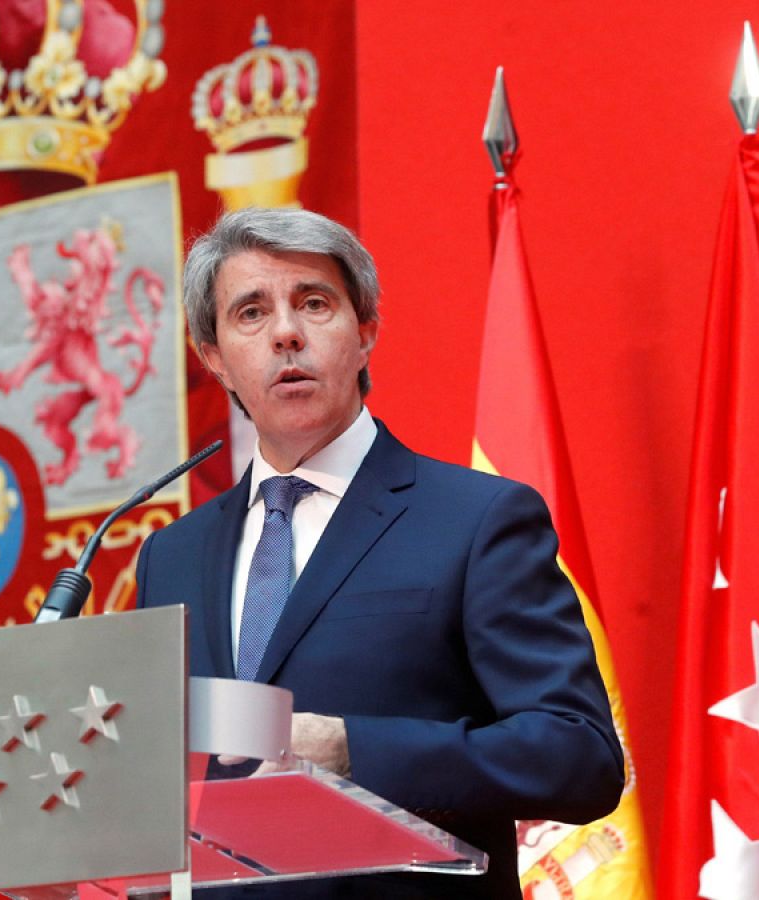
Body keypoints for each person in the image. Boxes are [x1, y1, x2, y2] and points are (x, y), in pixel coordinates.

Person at [136, 208, 624, 899]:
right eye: (250, 313)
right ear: (213, 356)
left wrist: (351, 748)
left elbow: (579, 759)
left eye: (314, 303)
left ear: (365, 332)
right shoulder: (170, 556)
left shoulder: (475, 520)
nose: (285, 333)